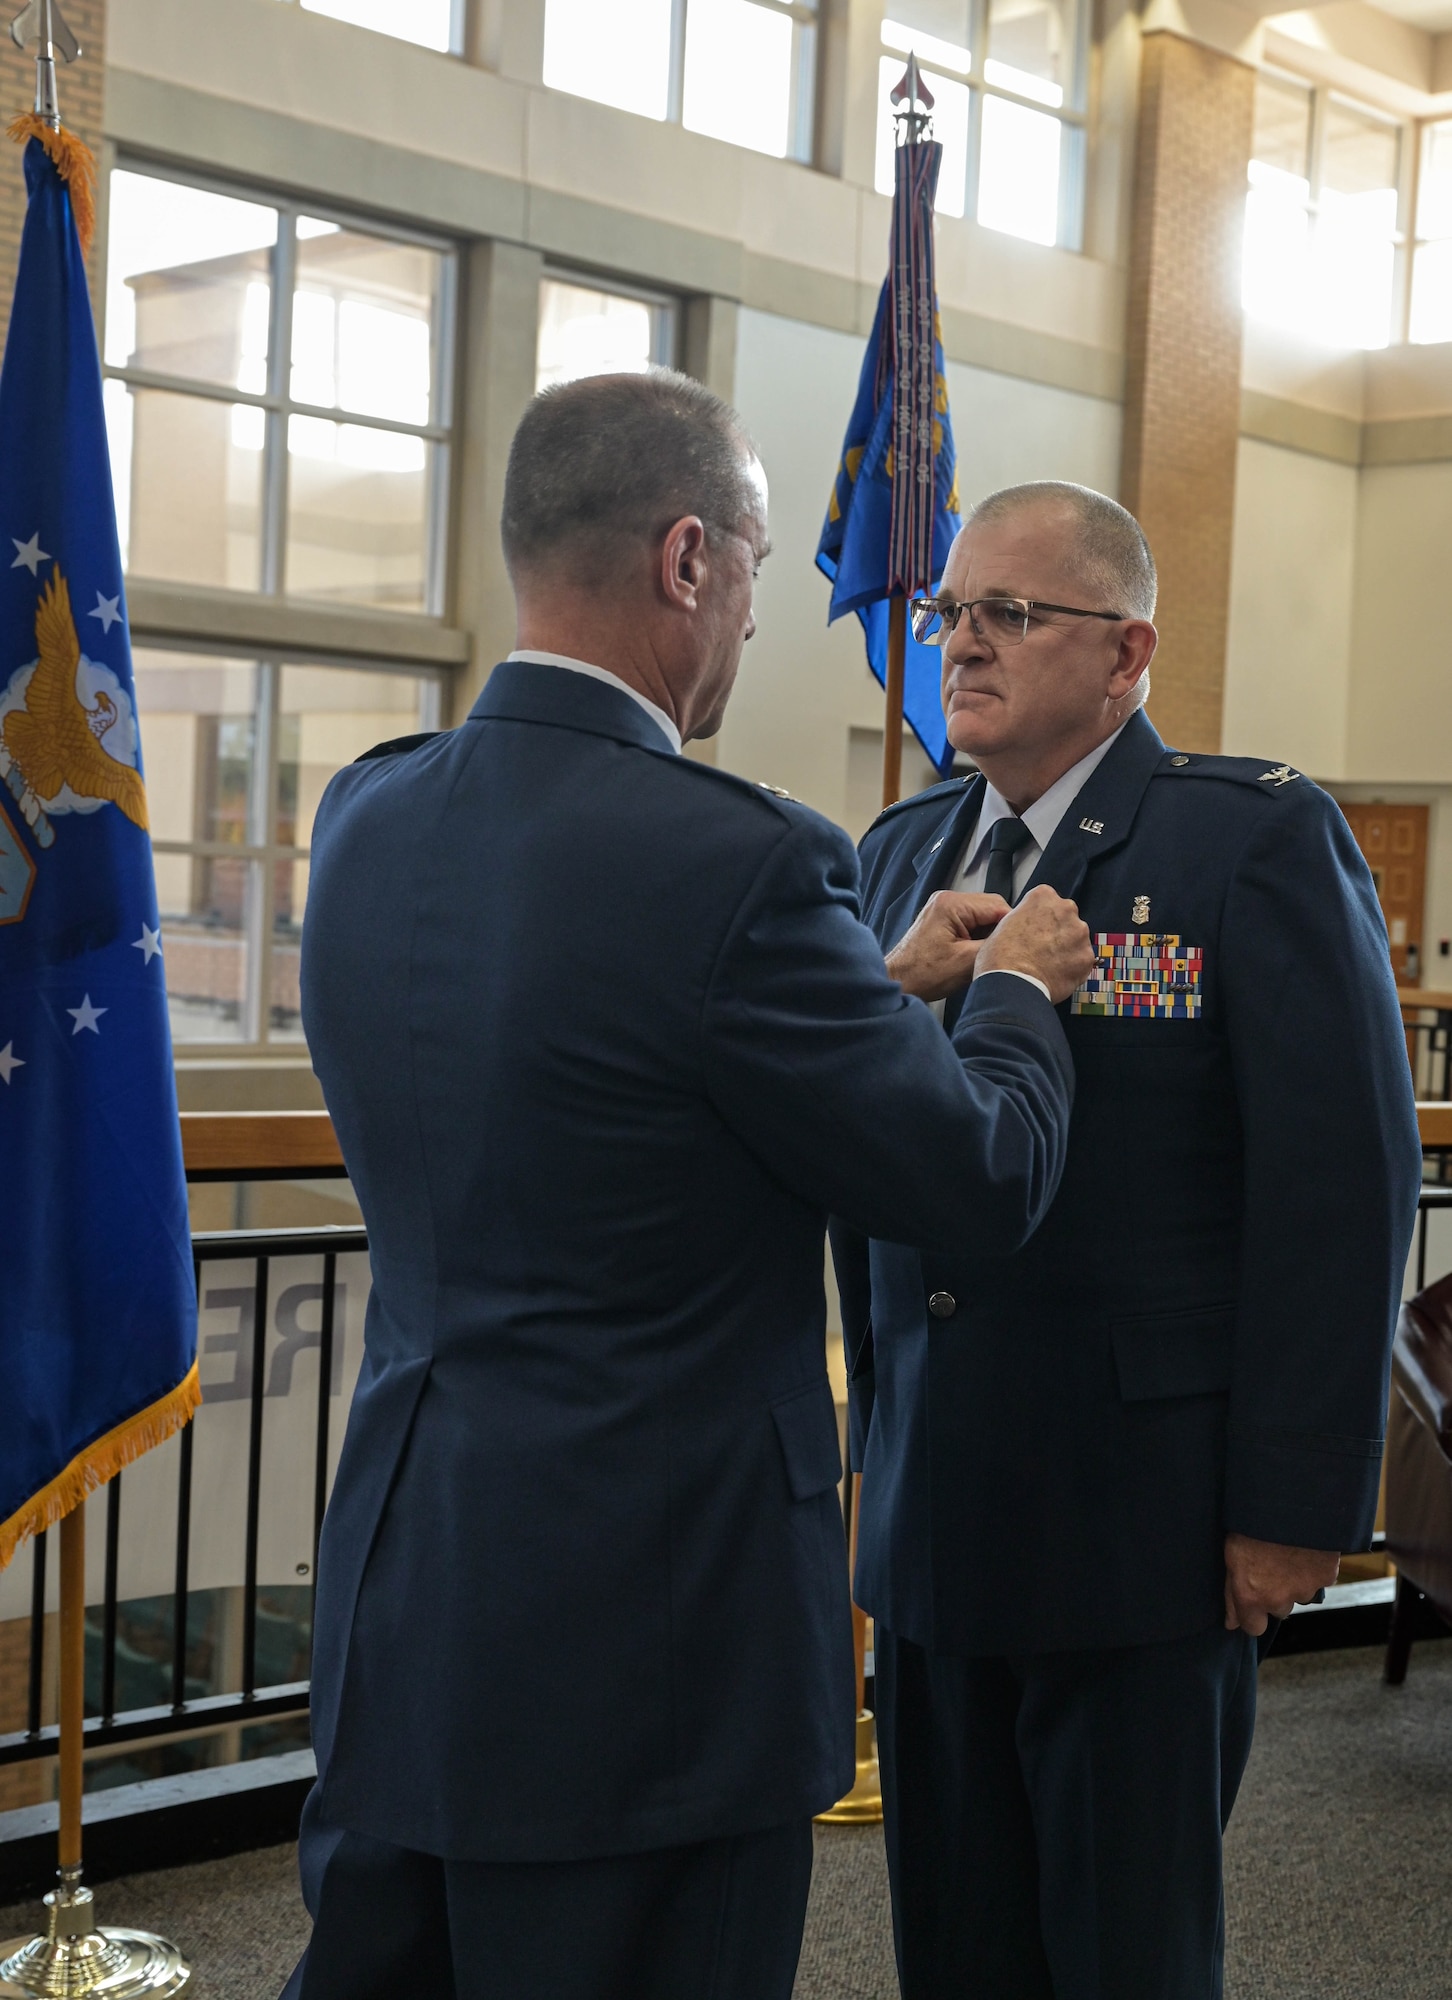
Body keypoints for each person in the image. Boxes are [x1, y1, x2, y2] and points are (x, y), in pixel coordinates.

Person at [282, 379, 1094, 2000]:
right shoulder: (741, 857)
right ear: (684, 561)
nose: (746, 621)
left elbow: (609, 1069)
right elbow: (978, 1173)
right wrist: (1019, 1001)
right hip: (651, 1649)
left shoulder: (367, 812)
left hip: (415, 1595)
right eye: (755, 563)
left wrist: (870, 984)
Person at [832, 480, 1422, 2000]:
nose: (963, 644)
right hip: (939, 1515)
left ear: (1127, 652)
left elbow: (1337, 1186)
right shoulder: (895, 858)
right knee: (954, 1950)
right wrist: (873, 1461)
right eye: (950, 612)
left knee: (1125, 1957)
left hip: (1141, 1525)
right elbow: (872, 1179)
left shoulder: (1246, 841)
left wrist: (1295, 1504)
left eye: (1012, 615)